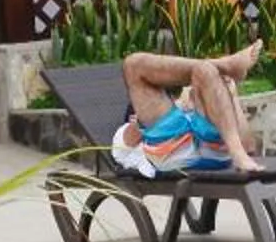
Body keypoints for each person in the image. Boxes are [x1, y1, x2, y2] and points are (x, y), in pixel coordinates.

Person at [113, 40, 264, 178]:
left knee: (204, 70)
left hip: (213, 147)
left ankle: (223, 66)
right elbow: (123, 148)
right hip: (172, 150)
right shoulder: (125, 134)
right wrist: (137, 126)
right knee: (133, 64)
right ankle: (223, 64)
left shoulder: (204, 107)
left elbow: (249, 147)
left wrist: (232, 95)